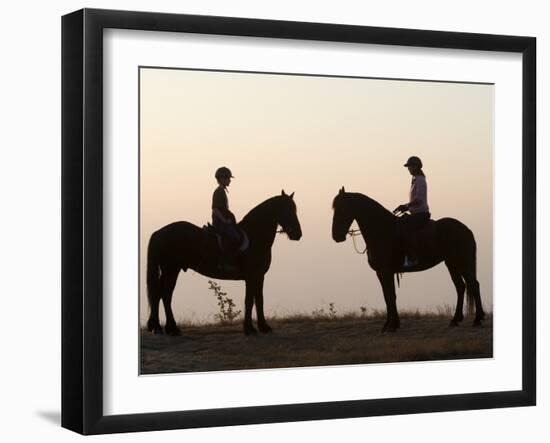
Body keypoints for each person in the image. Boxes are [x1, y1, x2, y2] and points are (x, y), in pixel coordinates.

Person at [393, 156, 431, 267]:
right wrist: (406, 207)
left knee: (405, 229)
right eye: (408, 167)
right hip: (415, 213)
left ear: (415, 167)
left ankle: (412, 258)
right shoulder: (415, 179)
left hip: (421, 214)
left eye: (410, 167)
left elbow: (419, 199)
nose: (408, 169)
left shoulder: (420, 179)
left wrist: (406, 206)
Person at [212, 166, 241, 253]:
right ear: (222, 179)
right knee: (236, 237)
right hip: (221, 224)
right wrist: (225, 221)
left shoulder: (222, 191)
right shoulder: (218, 192)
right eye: (228, 178)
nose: (230, 180)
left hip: (224, 223)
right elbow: (215, 209)